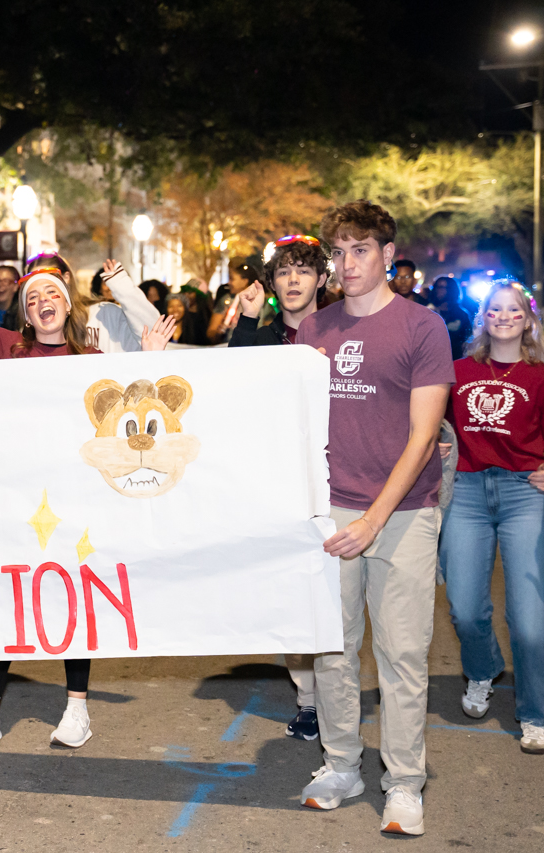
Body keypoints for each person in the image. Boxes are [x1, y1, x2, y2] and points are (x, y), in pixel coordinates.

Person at [0, 224, 173, 751]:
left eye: (53, 292)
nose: (44, 300)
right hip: (13, 502)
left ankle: (77, 709)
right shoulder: (5, 348)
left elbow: (135, 425)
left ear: (66, 305)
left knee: (72, 598)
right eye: (34, 297)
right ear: (26, 313)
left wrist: (152, 362)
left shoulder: (93, 364)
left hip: (73, 505)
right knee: (3, 601)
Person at [294, 201, 453, 837]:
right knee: (332, 649)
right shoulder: (314, 330)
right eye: (338, 251)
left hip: (405, 512)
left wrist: (373, 521)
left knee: (403, 653)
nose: (347, 262)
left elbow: (422, 438)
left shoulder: (421, 327)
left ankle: (405, 782)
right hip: (329, 507)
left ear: (388, 255)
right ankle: (340, 764)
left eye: (360, 249)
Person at [440, 281, 544, 757]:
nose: (503, 316)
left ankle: (534, 715)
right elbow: (437, 428)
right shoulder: (457, 373)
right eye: (494, 310)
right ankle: (482, 670)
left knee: (528, 619)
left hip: (524, 493)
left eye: (513, 310)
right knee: (463, 606)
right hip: (468, 492)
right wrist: (441, 443)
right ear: (483, 318)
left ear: (528, 319)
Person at [229, 234, 328, 739]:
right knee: (294, 597)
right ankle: (309, 700)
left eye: (303, 271)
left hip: (338, 482)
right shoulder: (263, 335)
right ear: (272, 283)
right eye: (284, 272)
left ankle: (336, 698)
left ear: (321, 279)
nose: (293, 280)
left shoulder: (342, 332)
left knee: (337, 599)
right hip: (282, 484)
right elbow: (233, 383)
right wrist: (247, 319)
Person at [25, 251, 161, 353]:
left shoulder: (103, 314)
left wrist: (123, 288)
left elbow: (153, 332)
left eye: (48, 278)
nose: (40, 287)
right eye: (31, 282)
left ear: (66, 278)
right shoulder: (36, 324)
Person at [207, 262, 260, 344]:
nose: (229, 283)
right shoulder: (226, 300)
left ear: (244, 281)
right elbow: (211, 332)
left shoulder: (259, 302)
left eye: (232, 279)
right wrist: (218, 332)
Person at [429, 276, 474, 359]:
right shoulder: (428, 310)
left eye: (442, 287)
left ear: (451, 290)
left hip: (454, 360)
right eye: (437, 287)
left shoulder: (461, 314)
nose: (439, 290)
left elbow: (467, 338)